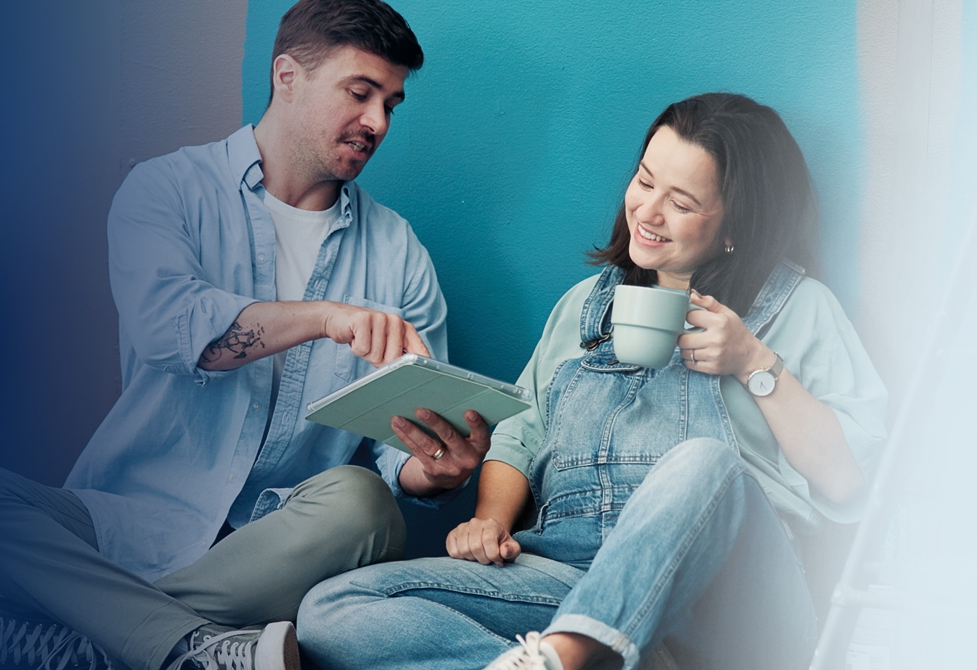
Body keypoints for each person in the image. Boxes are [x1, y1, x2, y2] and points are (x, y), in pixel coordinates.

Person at [0, 2, 494, 670]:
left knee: (366, 503)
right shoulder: (165, 189)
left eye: (390, 104)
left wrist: (434, 469)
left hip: (277, 544)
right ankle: (187, 647)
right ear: (287, 77)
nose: (378, 122)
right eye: (360, 93)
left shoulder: (400, 254)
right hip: (127, 522)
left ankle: (93, 638)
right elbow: (172, 331)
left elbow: (399, 449)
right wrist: (324, 317)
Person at [297, 93, 888, 670]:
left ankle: (573, 653)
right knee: (332, 609)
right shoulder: (585, 304)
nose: (648, 212)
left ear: (735, 223)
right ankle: (587, 652)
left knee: (705, 461)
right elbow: (520, 433)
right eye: (645, 181)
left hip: (725, 603)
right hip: (567, 574)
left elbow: (849, 481)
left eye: (681, 203)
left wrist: (753, 361)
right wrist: (491, 521)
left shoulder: (799, 307)